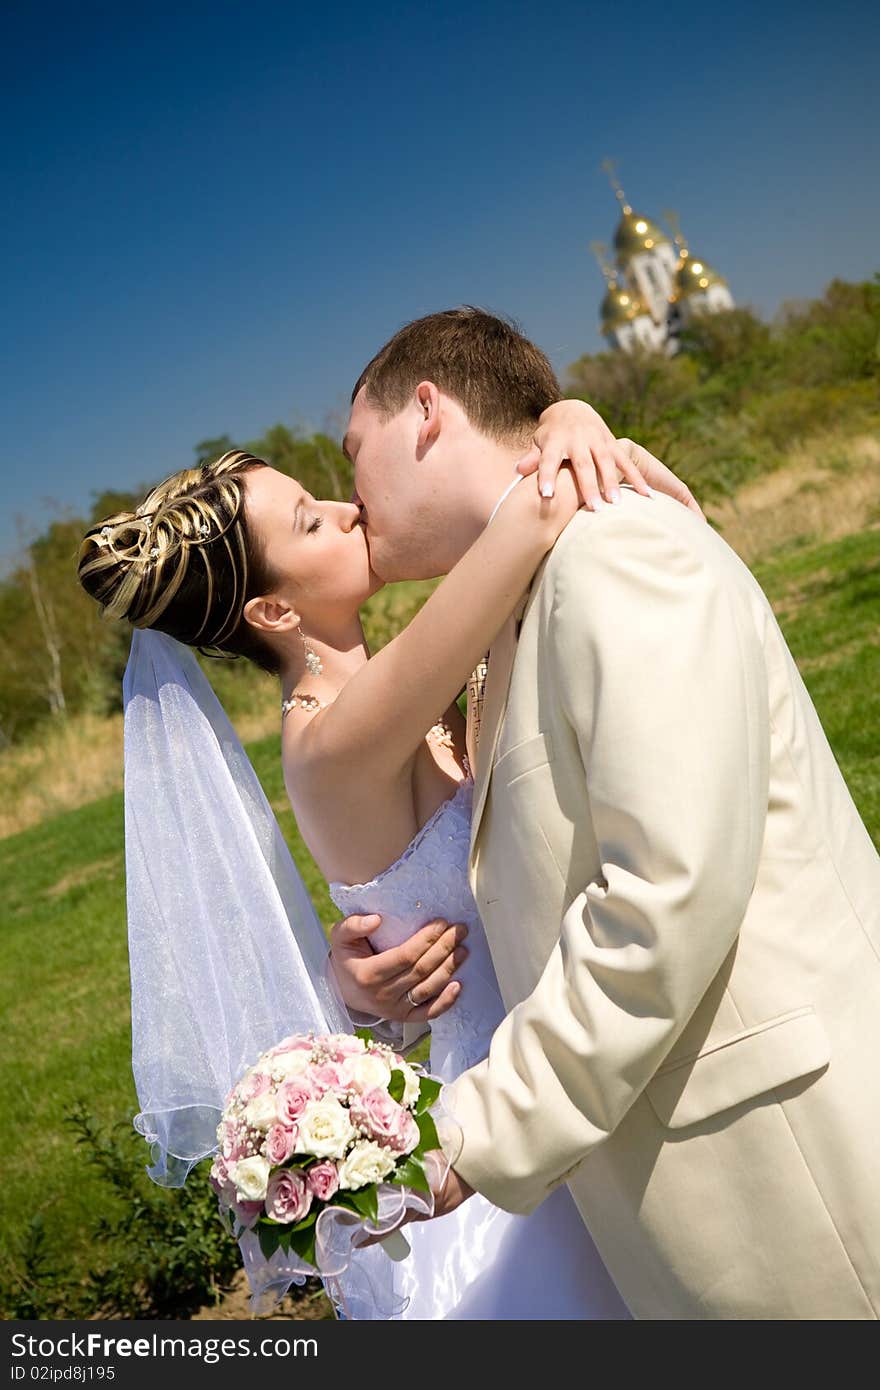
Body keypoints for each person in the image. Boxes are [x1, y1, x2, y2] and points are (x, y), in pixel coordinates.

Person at [78, 387, 698, 1320]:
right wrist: (566, 419)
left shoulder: (383, 691)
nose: (346, 509)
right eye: (308, 521)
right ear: (276, 613)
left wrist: (359, 997)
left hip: (575, 1058)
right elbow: (532, 514)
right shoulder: (334, 738)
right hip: (513, 1126)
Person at [333, 307, 880, 1319]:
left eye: (350, 452)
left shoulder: (615, 549)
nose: (347, 496)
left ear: (425, 411)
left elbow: (663, 892)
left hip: (795, 1178)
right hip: (674, 1191)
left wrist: (472, 1139)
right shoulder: (511, 604)